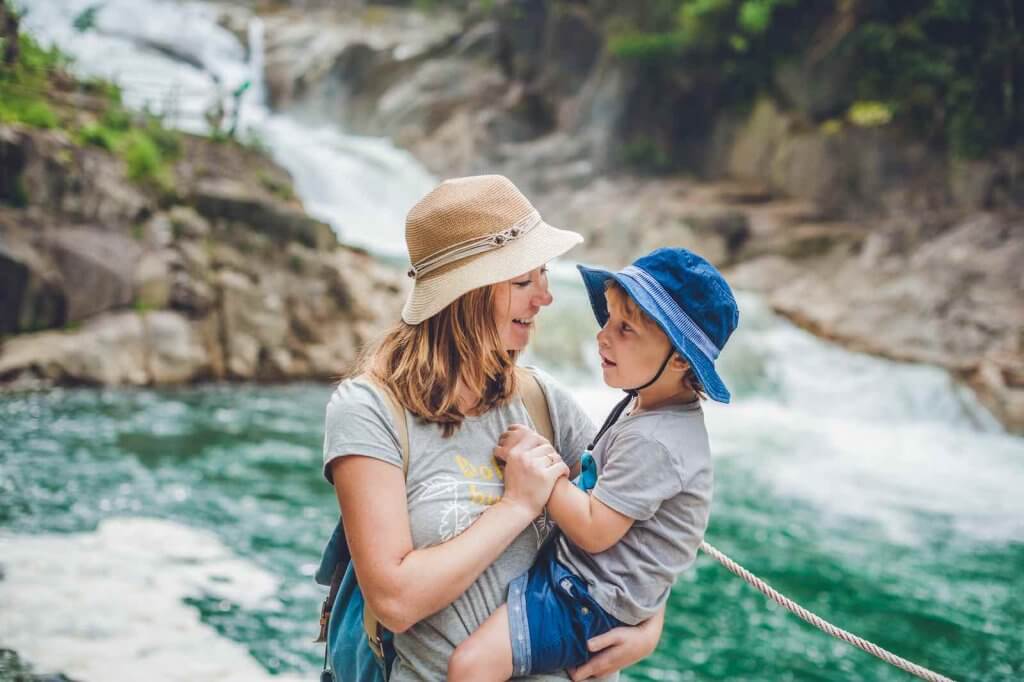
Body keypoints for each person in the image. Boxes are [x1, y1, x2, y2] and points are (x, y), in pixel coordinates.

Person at [323, 175, 665, 681]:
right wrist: (518, 505)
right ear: (466, 294)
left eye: (542, 274)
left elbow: (637, 529)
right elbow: (394, 599)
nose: (544, 298)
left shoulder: (542, 400)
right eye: (522, 282)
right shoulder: (369, 410)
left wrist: (649, 628)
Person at [448, 248, 739, 681]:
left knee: (470, 666)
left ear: (679, 359)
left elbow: (594, 530)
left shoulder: (656, 440)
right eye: (607, 320)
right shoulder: (649, 408)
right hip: (593, 589)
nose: (603, 336)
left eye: (626, 329)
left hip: (588, 599)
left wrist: (537, 465)